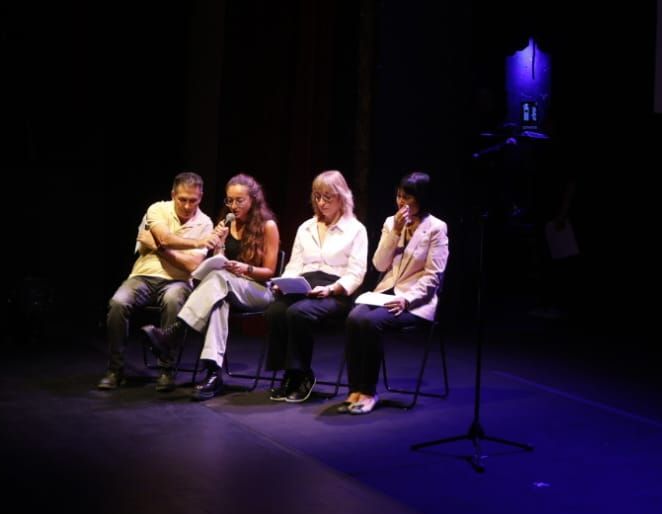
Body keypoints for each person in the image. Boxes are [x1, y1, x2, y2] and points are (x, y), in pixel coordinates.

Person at [143, 174, 280, 399]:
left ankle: (174, 334)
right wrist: (219, 246)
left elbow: (270, 272)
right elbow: (218, 263)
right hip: (226, 287)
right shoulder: (226, 223)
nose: (233, 206)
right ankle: (213, 375)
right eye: (229, 200)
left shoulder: (268, 226)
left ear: (253, 200)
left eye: (239, 200)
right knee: (218, 304)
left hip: (258, 290)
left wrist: (244, 268)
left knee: (218, 280)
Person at [340, 172, 450, 414]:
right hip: (386, 293)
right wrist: (395, 232)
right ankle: (354, 389)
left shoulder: (436, 228)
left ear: (421, 199)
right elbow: (379, 265)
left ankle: (368, 392)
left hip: (416, 301)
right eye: (399, 196)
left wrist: (406, 300)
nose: (401, 202)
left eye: (407, 197)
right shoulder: (391, 222)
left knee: (370, 322)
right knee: (354, 318)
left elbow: (433, 276)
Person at [97, 172, 214, 391]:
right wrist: (195, 242)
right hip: (143, 276)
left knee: (173, 301)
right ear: (173, 195)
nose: (187, 206)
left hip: (178, 281)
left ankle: (166, 371)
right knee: (118, 303)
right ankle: (115, 369)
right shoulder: (157, 209)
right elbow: (165, 238)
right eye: (182, 199)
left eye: (193, 201)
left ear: (201, 197)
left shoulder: (205, 223)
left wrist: (158, 248)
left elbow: (192, 266)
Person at [263, 170, 367, 404]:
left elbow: (356, 273)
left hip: (335, 291)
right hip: (305, 285)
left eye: (327, 197)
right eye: (317, 197)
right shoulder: (306, 227)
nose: (321, 203)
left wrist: (332, 289)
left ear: (342, 197)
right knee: (275, 311)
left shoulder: (355, 229)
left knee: (298, 313)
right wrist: (284, 283)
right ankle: (289, 374)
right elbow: (294, 265)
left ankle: (302, 375)